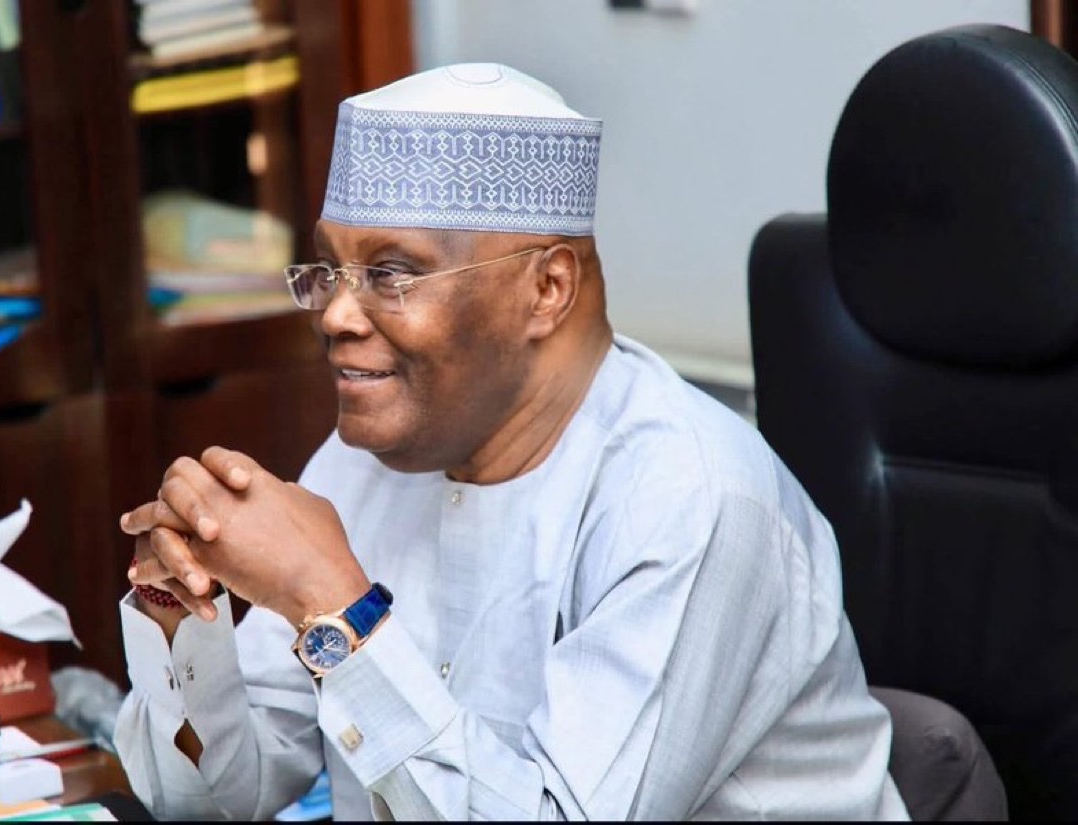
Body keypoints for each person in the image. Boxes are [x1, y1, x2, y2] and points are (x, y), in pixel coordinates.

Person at [114, 63, 908, 821]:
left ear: (547, 289)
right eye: (330, 268)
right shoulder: (367, 465)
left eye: (391, 274)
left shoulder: (687, 499)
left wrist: (334, 606)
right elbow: (215, 799)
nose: (336, 315)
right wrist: (181, 617)